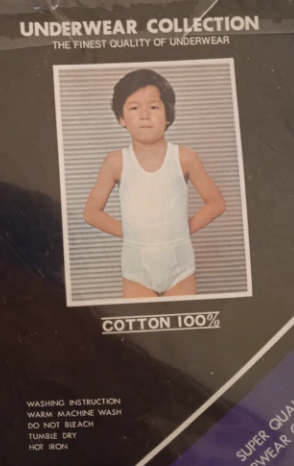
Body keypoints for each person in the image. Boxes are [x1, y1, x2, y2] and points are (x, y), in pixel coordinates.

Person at [83, 68, 226, 298]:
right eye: (134, 108)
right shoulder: (116, 162)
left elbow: (216, 203)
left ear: (168, 115)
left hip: (180, 266)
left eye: (153, 107)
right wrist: (133, 234)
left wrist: (179, 231)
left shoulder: (185, 157)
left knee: (181, 320)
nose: (144, 116)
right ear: (121, 118)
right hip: (137, 268)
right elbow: (91, 213)